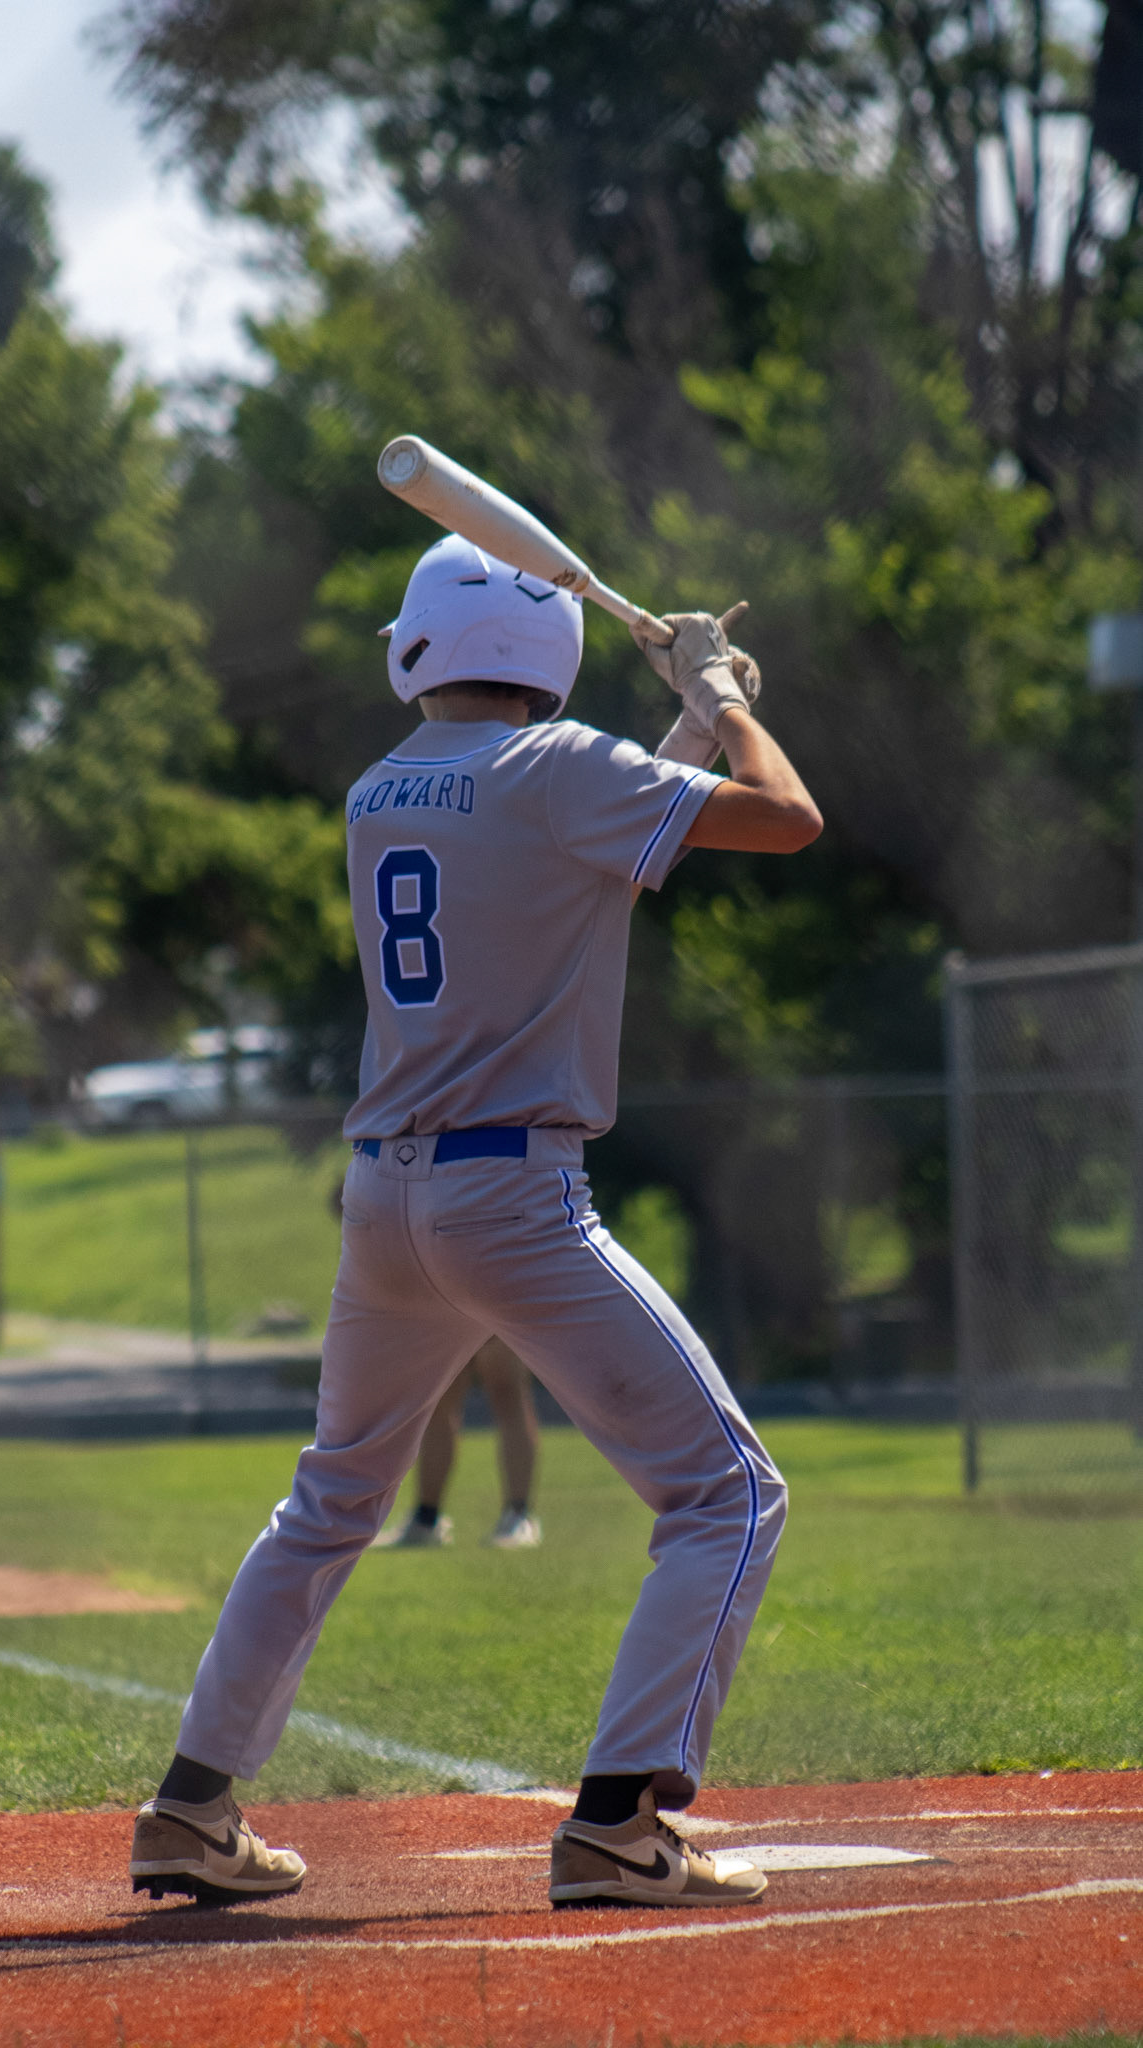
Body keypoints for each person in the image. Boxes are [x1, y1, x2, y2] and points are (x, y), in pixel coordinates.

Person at [130, 534, 821, 1912]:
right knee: (728, 1494)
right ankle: (621, 1823)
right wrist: (717, 694)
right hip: (513, 1194)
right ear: (545, 652)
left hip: (386, 1199)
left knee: (328, 1505)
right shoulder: (559, 771)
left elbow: (575, 853)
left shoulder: (380, 787)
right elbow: (786, 815)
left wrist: (688, 721)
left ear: (418, 646)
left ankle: (190, 1807)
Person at [371, 1334, 542, 1548]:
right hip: (452, 1316)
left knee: (507, 1391)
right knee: (439, 1400)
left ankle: (519, 1516)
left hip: (496, 1315)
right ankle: (426, 1519)